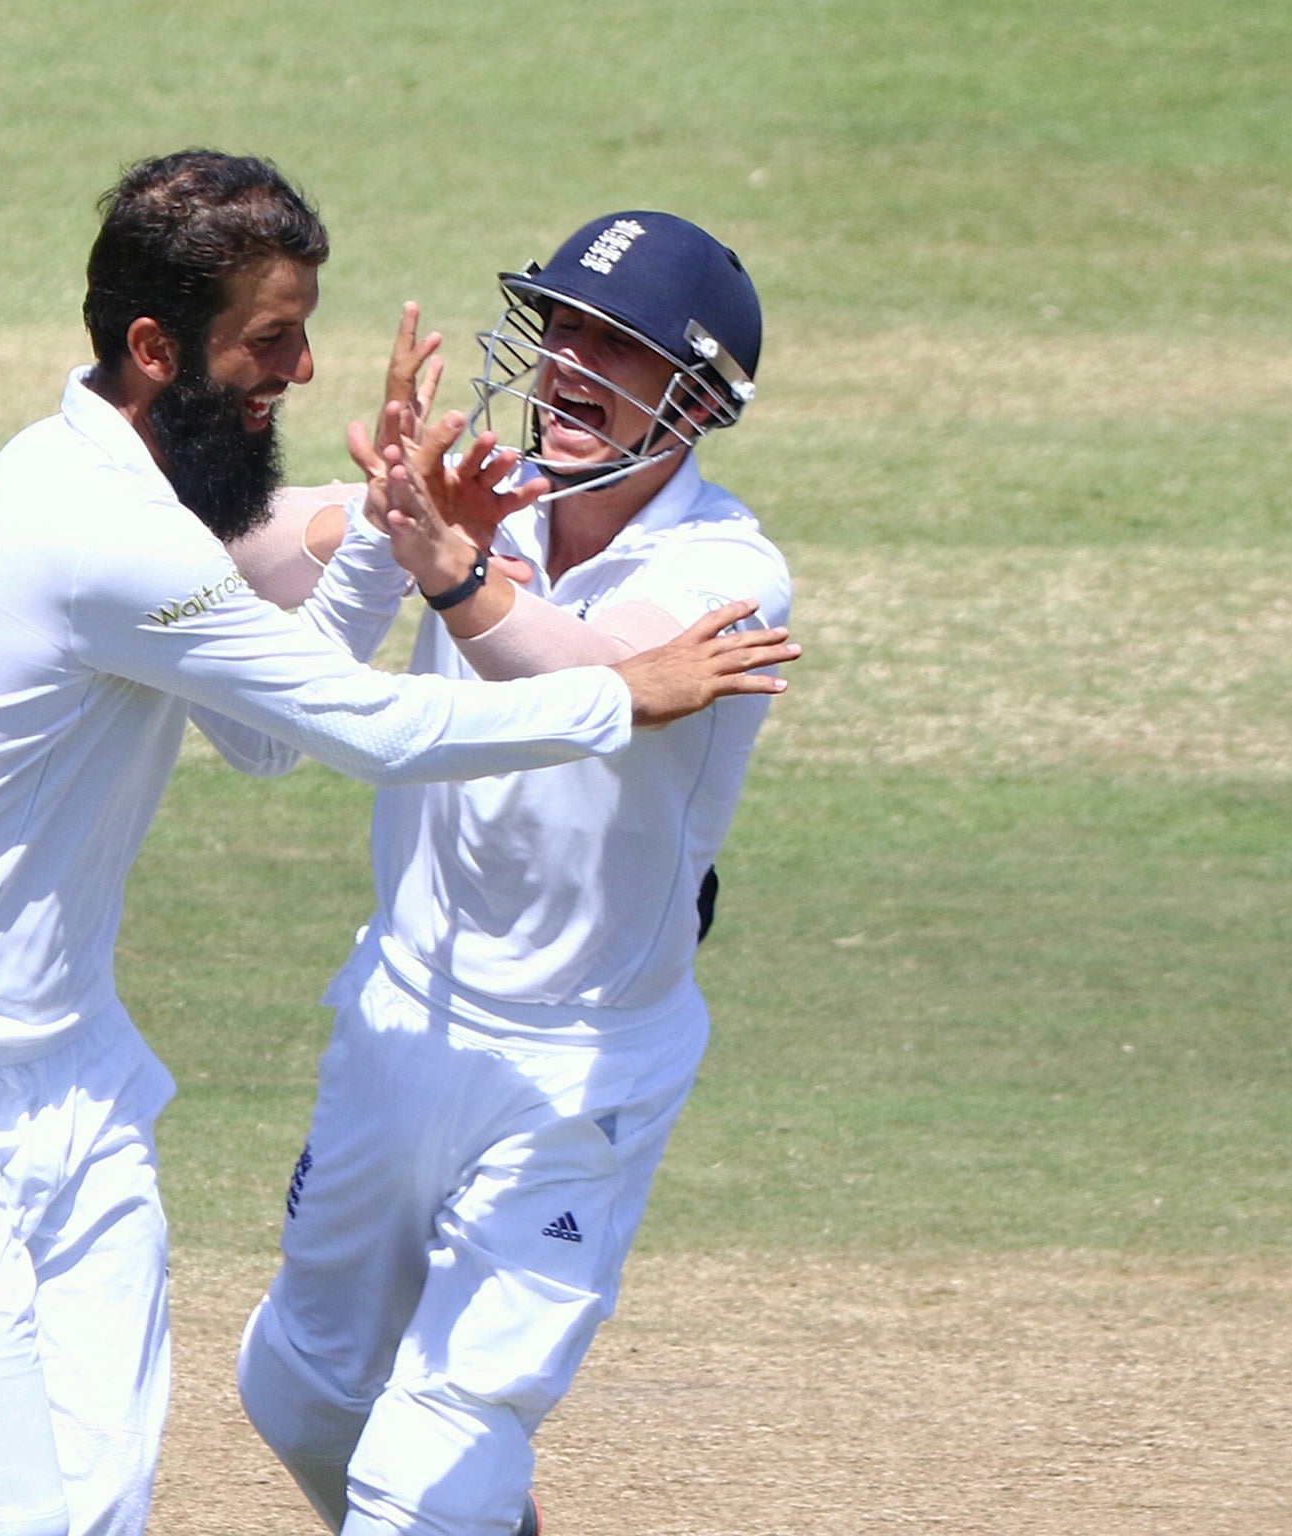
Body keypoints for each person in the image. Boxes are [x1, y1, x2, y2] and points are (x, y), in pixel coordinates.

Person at [0, 158, 797, 1536]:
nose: (305, 368)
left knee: (98, 1521)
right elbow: (359, 728)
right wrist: (514, 615)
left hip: (88, 1068)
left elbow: (269, 735)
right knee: (19, 1517)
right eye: (273, 341)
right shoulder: (109, 533)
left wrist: (403, 540)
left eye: (616, 344)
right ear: (160, 349)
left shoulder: (703, 566)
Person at [232, 210, 792, 1536]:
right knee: (301, 1395)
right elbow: (238, 560)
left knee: (427, 1474)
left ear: (699, 395)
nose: (572, 366)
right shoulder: (473, 501)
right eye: (566, 331)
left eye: (622, 346)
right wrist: (367, 519)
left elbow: (603, 680)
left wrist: (449, 569)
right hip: (398, 1018)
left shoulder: (730, 567)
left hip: (578, 1067)